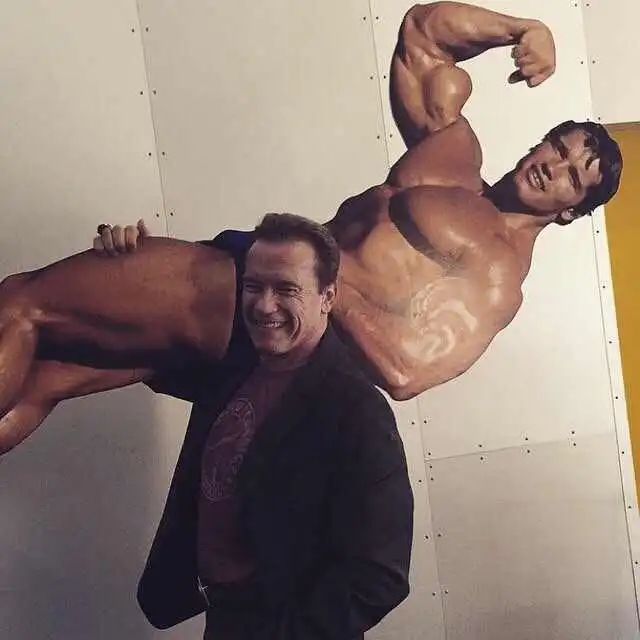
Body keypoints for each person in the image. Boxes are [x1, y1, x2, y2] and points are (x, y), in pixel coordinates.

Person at [0, 1, 623, 455]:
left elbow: (405, 370)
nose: (553, 166)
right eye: (557, 147)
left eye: (572, 175)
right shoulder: (454, 156)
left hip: (261, 302)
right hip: (256, 305)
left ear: (572, 210)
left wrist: (316, 280)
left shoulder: (498, 272)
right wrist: (523, 28)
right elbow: (423, 34)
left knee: (23, 304)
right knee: (47, 375)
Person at [138, 212, 412, 638]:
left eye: (286, 289)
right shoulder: (231, 370)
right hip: (224, 621)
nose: (264, 305)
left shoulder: (356, 410)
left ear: (327, 296)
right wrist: (133, 258)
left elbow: (379, 576)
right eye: (253, 286)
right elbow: (143, 354)